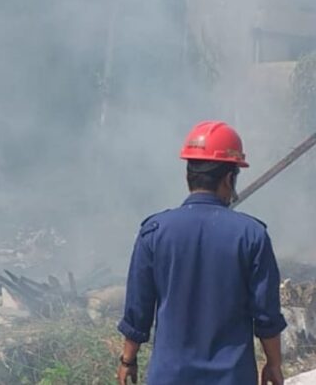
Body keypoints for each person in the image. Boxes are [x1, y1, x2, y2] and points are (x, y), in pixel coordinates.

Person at [116, 121, 287, 385]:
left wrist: (128, 360)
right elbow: (266, 315)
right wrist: (274, 363)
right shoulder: (252, 235)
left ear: (188, 175)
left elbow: (139, 309)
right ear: (229, 178)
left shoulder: (154, 232)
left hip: (170, 377)